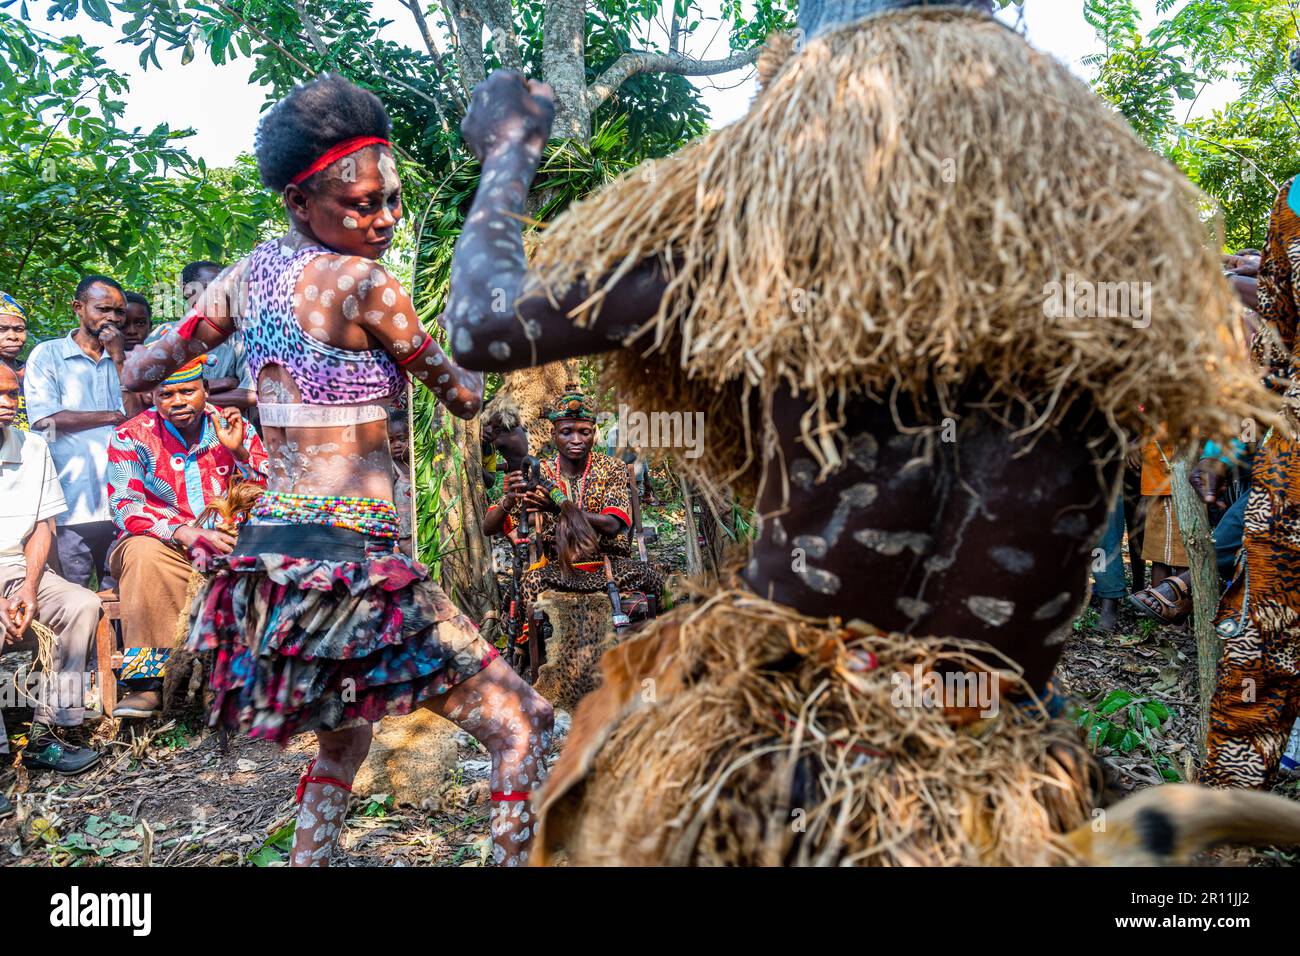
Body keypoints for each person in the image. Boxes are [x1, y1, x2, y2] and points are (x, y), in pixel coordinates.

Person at [441, 0, 1272, 864]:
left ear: (811, 79)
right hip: (997, 758)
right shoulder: (1123, 253)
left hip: (782, 768)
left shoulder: (756, 232)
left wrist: (509, 150)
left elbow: (486, 326)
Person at [122, 74, 552, 867]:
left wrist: (258, 389)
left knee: (342, 750)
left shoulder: (244, 278)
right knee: (522, 726)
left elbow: (143, 366)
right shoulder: (365, 283)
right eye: (362, 205)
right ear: (299, 202)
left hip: (274, 568)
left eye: (390, 199)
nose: (384, 219)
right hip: (354, 561)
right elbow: (461, 397)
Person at [1201, 178, 1300, 790]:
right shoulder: (1293, 200)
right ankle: (1228, 827)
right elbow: (1274, 346)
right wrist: (1224, 440)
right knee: (1264, 640)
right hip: (1291, 473)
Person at [105, 356, 268, 718]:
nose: (178, 401)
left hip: (233, 545)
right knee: (142, 553)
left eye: (187, 391)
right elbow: (124, 507)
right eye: (166, 394)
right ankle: (147, 686)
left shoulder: (231, 424)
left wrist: (239, 450)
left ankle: (263, 678)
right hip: (169, 549)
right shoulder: (130, 435)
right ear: (152, 396)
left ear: (205, 390)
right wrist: (186, 532)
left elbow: (273, 491)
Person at [482, 390, 664, 637]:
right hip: (556, 571)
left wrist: (557, 505)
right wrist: (509, 500)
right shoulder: (540, 471)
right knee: (526, 584)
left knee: (651, 576)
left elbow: (612, 525)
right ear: (553, 434)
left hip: (609, 566)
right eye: (567, 432)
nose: (576, 439)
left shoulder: (612, 468)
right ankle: (531, 653)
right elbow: (488, 528)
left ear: (594, 434)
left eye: (584, 432)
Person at [0, 362, 101, 786]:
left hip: (20, 567)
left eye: (13, 394)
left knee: (83, 603)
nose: (8, 404)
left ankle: (49, 733)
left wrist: (28, 587)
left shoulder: (33, 447)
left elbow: (43, 525)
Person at [23, 275, 135, 590]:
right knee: (74, 594)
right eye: (103, 309)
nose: (113, 318)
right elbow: (45, 419)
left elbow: (138, 419)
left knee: (121, 594)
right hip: (71, 502)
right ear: (78, 308)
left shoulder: (126, 359)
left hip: (122, 501)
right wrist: (113, 416)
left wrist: (118, 357)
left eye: (119, 312)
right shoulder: (48, 355)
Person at [144, 262, 256, 411]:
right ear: (186, 291)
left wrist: (182, 396)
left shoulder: (242, 337)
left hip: (227, 430)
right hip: (169, 433)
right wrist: (224, 384)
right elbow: (147, 395)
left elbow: (251, 395)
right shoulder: (163, 334)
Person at [0, 292, 30, 431]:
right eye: (2, 329)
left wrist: (45, 449)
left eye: (19, 330)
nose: (13, 336)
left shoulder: (36, 372)